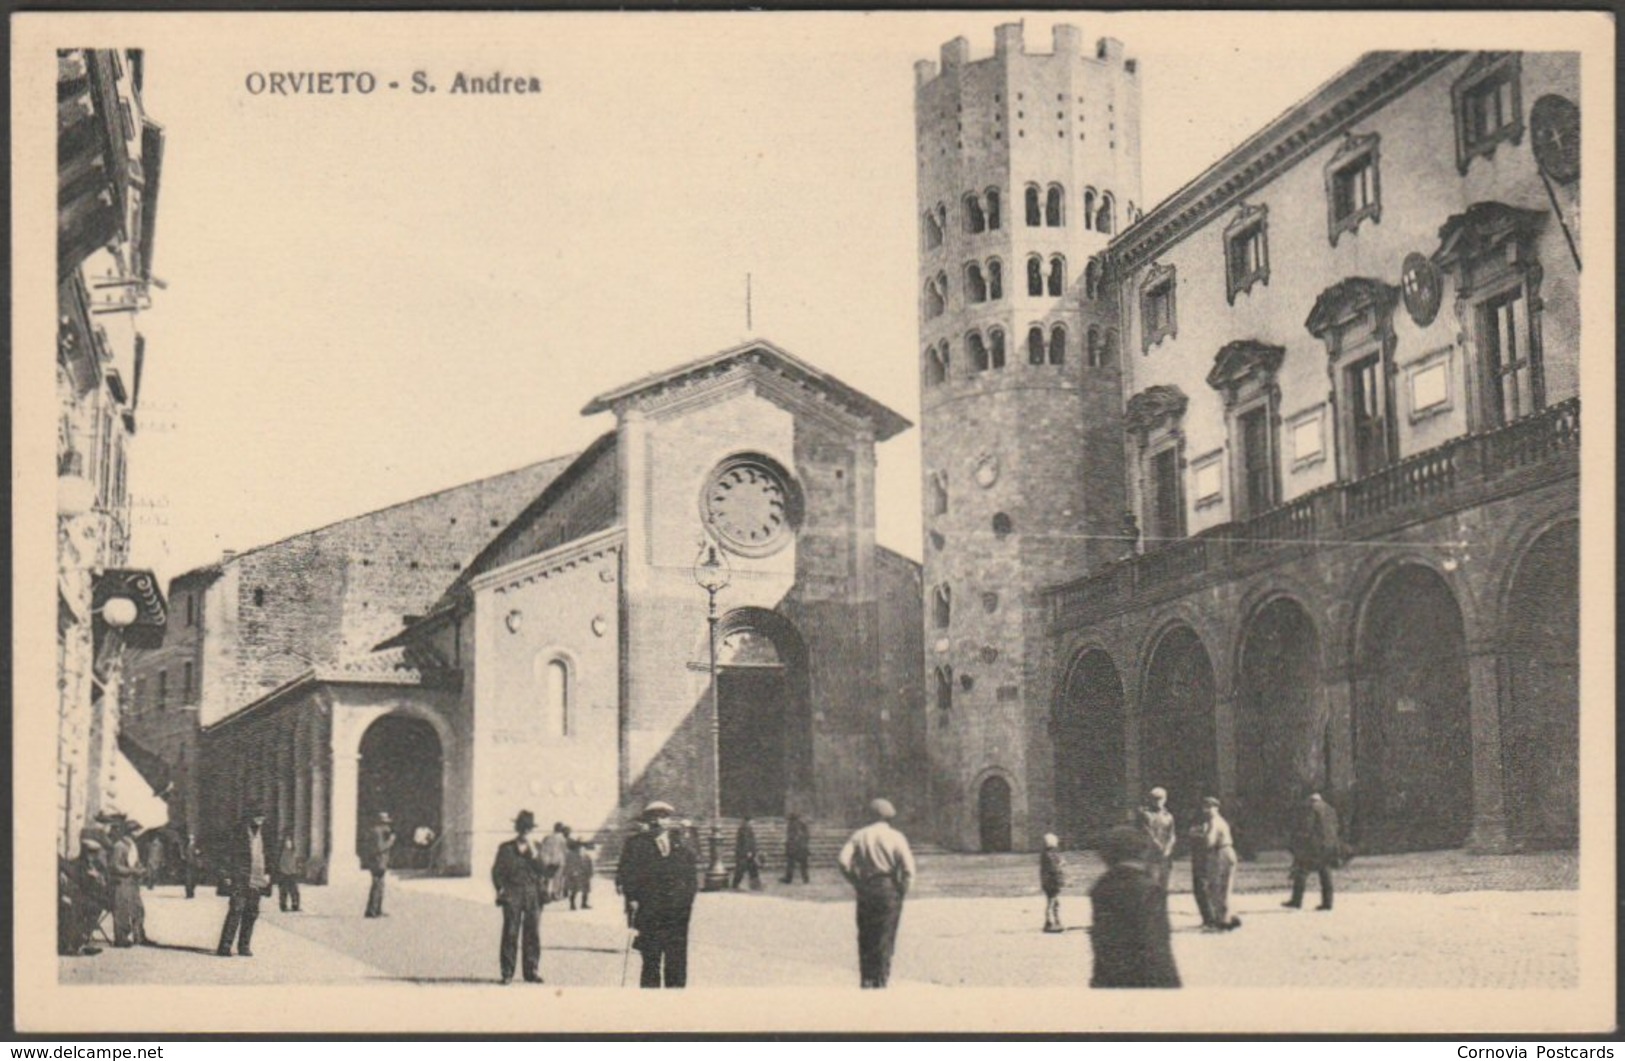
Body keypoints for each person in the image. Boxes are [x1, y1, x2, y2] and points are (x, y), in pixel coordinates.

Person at [618, 801, 698, 988]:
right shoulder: (636, 845)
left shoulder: (682, 844)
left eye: (663, 817)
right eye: (653, 817)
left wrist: (686, 902)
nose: (658, 822)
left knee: (676, 960)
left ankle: (676, 1001)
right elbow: (627, 874)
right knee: (651, 960)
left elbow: (691, 877)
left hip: (677, 914)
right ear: (648, 820)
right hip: (650, 912)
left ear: (669, 820)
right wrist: (632, 899)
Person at [1088, 825, 1180, 988]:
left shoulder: (1101, 888)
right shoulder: (1147, 888)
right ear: (1141, 853)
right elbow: (1155, 945)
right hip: (1147, 980)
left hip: (1109, 978)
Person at [837, 798, 916, 989]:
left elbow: (842, 861)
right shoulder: (897, 837)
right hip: (888, 889)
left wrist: (856, 881)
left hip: (866, 888)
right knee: (885, 935)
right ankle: (881, 978)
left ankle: (866, 978)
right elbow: (908, 870)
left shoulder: (859, 835)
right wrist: (902, 891)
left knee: (865, 934)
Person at [492, 809, 546, 984]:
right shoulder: (506, 848)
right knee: (510, 932)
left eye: (528, 829)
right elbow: (497, 871)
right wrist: (500, 888)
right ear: (517, 829)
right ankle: (507, 972)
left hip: (532, 894)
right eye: (523, 828)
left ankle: (531, 971)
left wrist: (534, 853)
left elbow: (544, 870)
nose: (525, 832)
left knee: (532, 934)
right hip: (512, 894)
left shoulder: (537, 847)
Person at [217, 807, 272, 957]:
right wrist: (226, 875)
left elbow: (270, 854)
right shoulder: (238, 832)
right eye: (258, 818)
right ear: (250, 817)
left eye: (262, 818)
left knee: (251, 913)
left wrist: (268, 873)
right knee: (236, 910)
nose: (260, 821)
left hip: (258, 879)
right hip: (240, 878)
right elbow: (227, 854)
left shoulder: (265, 834)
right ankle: (225, 946)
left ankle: (244, 946)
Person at [1285, 792, 1342, 912]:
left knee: (1301, 871)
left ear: (1310, 800)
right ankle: (1328, 902)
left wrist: (1300, 840)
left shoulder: (1311, 809)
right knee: (1325, 873)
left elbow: (1307, 827)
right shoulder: (1330, 809)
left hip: (1315, 846)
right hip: (1329, 845)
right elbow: (1337, 826)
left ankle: (1296, 901)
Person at [1201, 797, 1241, 932]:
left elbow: (1209, 842)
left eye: (1210, 807)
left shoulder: (1214, 822)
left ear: (1216, 808)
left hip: (1221, 853)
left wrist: (1202, 833)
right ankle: (1230, 917)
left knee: (1218, 888)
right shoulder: (1219, 820)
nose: (1207, 810)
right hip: (1226, 851)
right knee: (1222, 887)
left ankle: (1223, 922)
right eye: (1205, 807)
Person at [109, 819, 148, 946]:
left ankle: (139, 936)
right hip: (122, 882)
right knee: (122, 911)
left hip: (132, 882)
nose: (139, 833)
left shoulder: (132, 845)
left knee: (138, 909)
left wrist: (140, 868)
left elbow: (134, 861)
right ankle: (121, 938)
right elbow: (115, 866)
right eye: (136, 830)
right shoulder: (119, 846)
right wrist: (132, 870)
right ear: (130, 832)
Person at [1139, 787, 1177, 891]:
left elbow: (1172, 834)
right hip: (1151, 854)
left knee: (1164, 884)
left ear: (1165, 799)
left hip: (1165, 854)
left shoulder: (1168, 816)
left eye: (1160, 798)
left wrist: (1168, 848)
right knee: (1151, 883)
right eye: (1155, 799)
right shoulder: (1146, 815)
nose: (1158, 801)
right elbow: (1148, 832)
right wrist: (1158, 846)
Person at [363, 811, 395, 918]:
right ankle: (373, 911)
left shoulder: (376, 831)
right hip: (378, 861)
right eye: (386, 823)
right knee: (377, 886)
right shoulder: (378, 833)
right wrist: (390, 841)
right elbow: (380, 848)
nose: (387, 826)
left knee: (379, 886)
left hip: (378, 861)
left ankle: (375, 909)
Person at [1187, 817, 1215, 928]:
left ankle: (1210, 919)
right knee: (1199, 889)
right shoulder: (1197, 840)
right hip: (1198, 863)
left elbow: (1209, 843)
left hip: (1205, 863)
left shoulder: (1211, 826)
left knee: (1203, 889)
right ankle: (1208, 918)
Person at [1040, 832, 1066, 933]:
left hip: (1049, 881)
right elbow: (1054, 868)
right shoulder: (1049, 854)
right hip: (1051, 881)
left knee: (1054, 902)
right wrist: (1061, 863)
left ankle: (1054, 922)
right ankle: (1050, 923)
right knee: (1052, 902)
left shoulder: (1049, 853)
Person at [538, 822, 570, 906]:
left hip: (547, 860)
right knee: (557, 878)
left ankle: (544, 893)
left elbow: (543, 848)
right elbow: (564, 850)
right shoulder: (562, 838)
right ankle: (554, 894)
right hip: (558, 860)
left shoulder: (548, 837)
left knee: (547, 878)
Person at [730, 816, 762, 890]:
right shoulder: (744, 829)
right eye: (751, 821)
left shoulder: (747, 829)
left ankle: (755, 885)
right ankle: (735, 884)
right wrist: (748, 851)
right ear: (748, 821)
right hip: (744, 853)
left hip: (748, 853)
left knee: (752, 869)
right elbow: (746, 841)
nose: (752, 823)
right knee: (741, 869)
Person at [564, 837, 595, 911]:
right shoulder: (571, 854)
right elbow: (569, 864)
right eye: (579, 845)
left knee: (586, 889)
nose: (581, 846)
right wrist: (572, 872)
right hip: (576, 873)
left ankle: (583, 903)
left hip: (584, 873)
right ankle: (572, 904)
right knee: (575, 889)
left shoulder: (585, 853)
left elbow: (589, 862)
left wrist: (590, 872)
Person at [781, 812, 811, 884]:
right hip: (802, 848)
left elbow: (791, 836)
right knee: (803, 865)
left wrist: (787, 843)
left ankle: (788, 879)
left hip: (793, 848)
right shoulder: (802, 824)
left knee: (790, 864)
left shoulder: (791, 825)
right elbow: (807, 836)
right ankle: (805, 879)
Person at [276, 837, 303, 912]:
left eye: (290, 842)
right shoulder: (282, 853)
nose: (289, 844)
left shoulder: (294, 852)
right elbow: (279, 863)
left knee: (294, 891)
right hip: (283, 874)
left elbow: (296, 862)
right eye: (287, 842)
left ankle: (295, 905)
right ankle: (283, 906)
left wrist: (297, 869)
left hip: (292, 874)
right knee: (283, 891)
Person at [182, 831, 204, 900]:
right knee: (188, 879)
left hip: (195, 864)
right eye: (190, 838)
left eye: (192, 838)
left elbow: (201, 854)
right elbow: (183, 854)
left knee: (194, 879)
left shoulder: (197, 846)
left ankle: (191, 891)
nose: (191, 839)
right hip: (188, 864)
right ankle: (189, 893)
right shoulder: (186, 846)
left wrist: (198, 852)